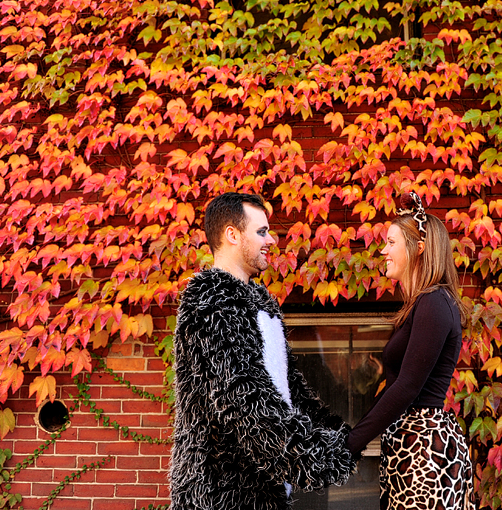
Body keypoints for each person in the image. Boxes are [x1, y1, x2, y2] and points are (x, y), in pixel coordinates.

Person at [168, 192, 355, 510]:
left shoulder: (262, 302)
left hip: (267, 489)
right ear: (232, 234)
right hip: (221, 492)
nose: (271, 240)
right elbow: (244, 402)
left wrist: (340, 434)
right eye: (261, 232)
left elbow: (290, 390)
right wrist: (318, 456)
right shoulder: (210, 302)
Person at [347, 192, 475, 510]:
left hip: (425, 453)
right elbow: (394, 386)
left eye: (391, 242)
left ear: (418, 249)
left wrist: (350, 444)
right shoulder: (420, 305)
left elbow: (406, 388)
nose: (383, 250)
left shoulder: (433, 302)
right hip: (412, 446)